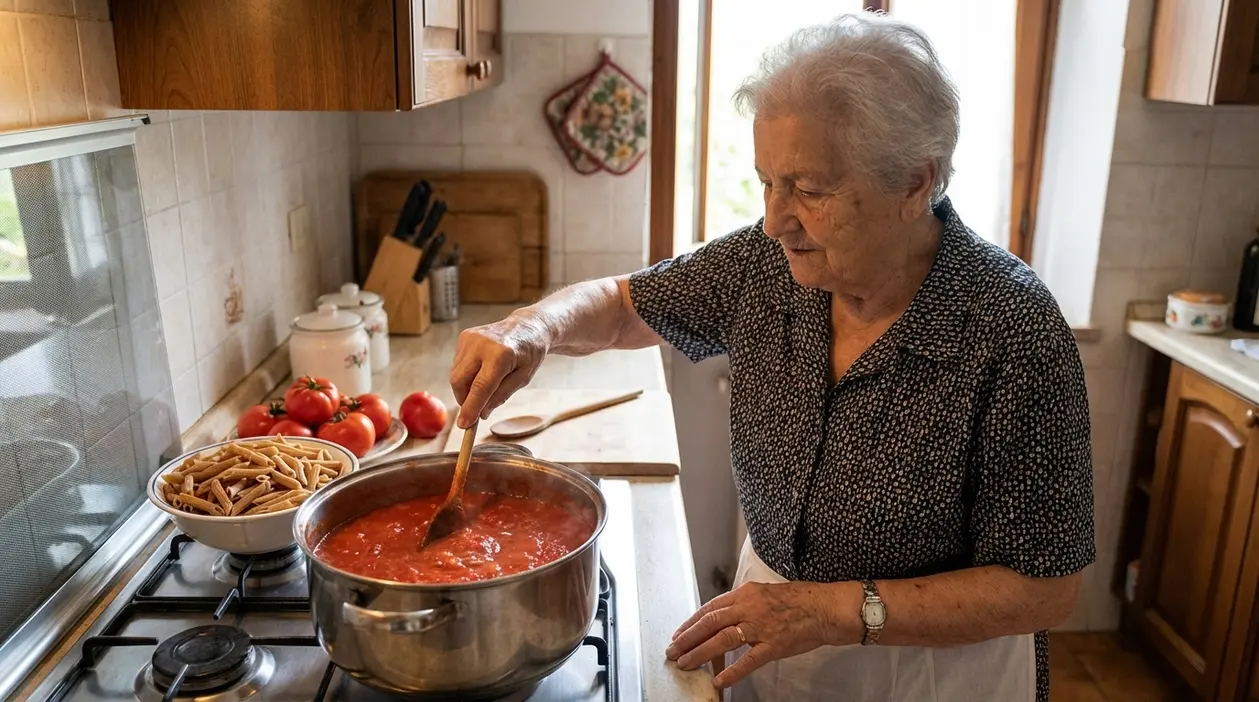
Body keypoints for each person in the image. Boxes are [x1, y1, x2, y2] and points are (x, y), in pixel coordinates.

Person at [449, 12, 1093, 702]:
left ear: (914, 182)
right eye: (766, 182)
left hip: (927, 675)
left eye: (809, 190)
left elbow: (1045, 588)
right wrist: (532, 327)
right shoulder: (767, 263)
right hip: (774, 633)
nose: (774, 219)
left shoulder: (1010, 327)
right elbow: (623, 304)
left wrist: (825, 611)